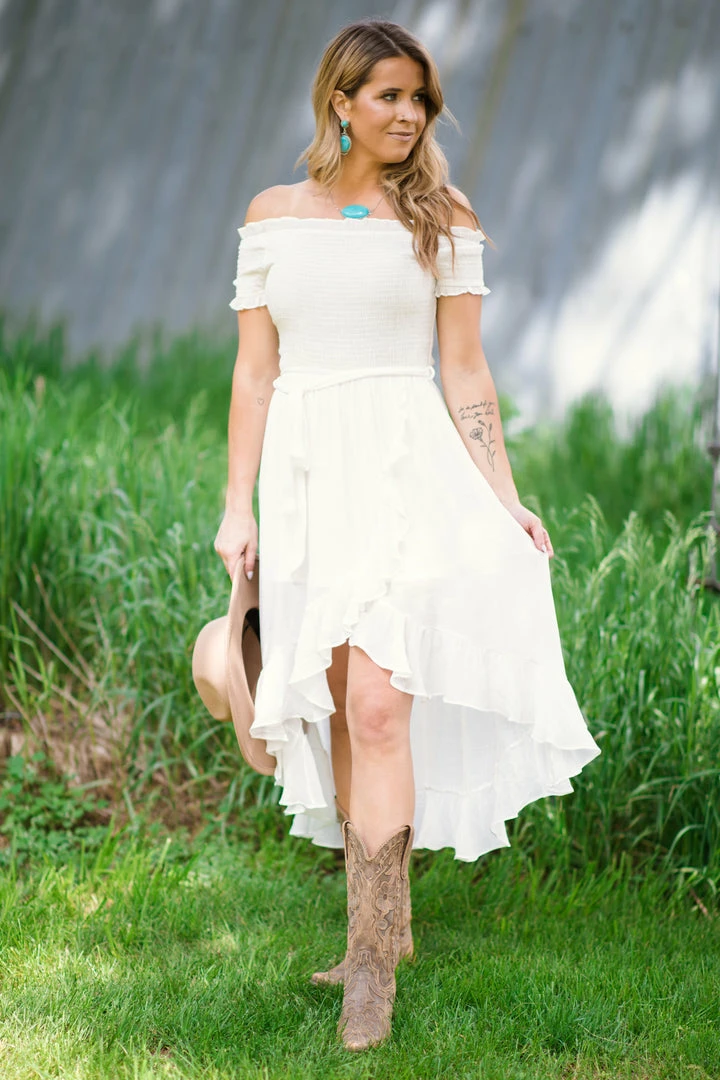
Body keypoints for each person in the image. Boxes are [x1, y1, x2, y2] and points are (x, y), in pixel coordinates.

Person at [214, 17, 601, 1054]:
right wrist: (238, 506)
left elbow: (464, 368)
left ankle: (371, 971)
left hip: (405, 470)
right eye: (388, 95)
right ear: (339, 102)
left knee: (382, 706)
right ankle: (380, 928)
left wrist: (504, 493)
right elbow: (255, 373)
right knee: (346, 706)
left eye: (419, 98)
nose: (409, 114)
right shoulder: (272, 216)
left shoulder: (440, 215)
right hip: (307, 479)